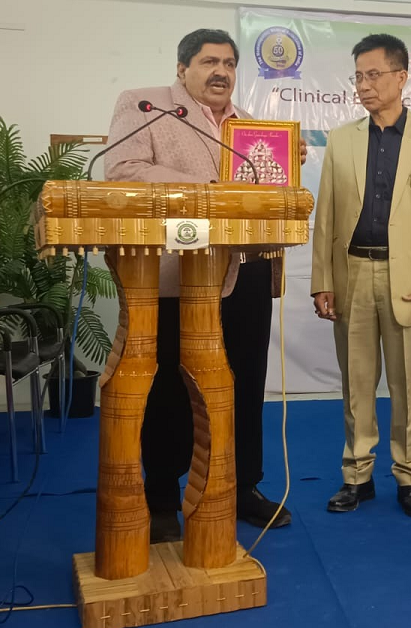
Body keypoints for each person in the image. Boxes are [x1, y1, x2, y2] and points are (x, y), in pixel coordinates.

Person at [104, 28, 301, 541]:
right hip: (174, 275)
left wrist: (283, 175)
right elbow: (124, 170)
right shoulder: (145, 106)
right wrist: (212, 191)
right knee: (172, 387)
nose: (222, 72)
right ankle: (163, 495)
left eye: (230, 64)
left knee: (243, 384)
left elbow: (264, 193)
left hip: (245, 269)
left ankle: (241, 486)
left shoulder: (248, 126)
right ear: (182, 68)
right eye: (210, 61)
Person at [310, 33, 411, 518]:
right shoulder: (341, 140)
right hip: (352, 274)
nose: (363, 85)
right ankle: (356, 476)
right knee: (356, 386)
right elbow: (326, 218)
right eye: (358, 76)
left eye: (373, 75)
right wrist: (322, 280)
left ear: (401, 78)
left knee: (410, 388)